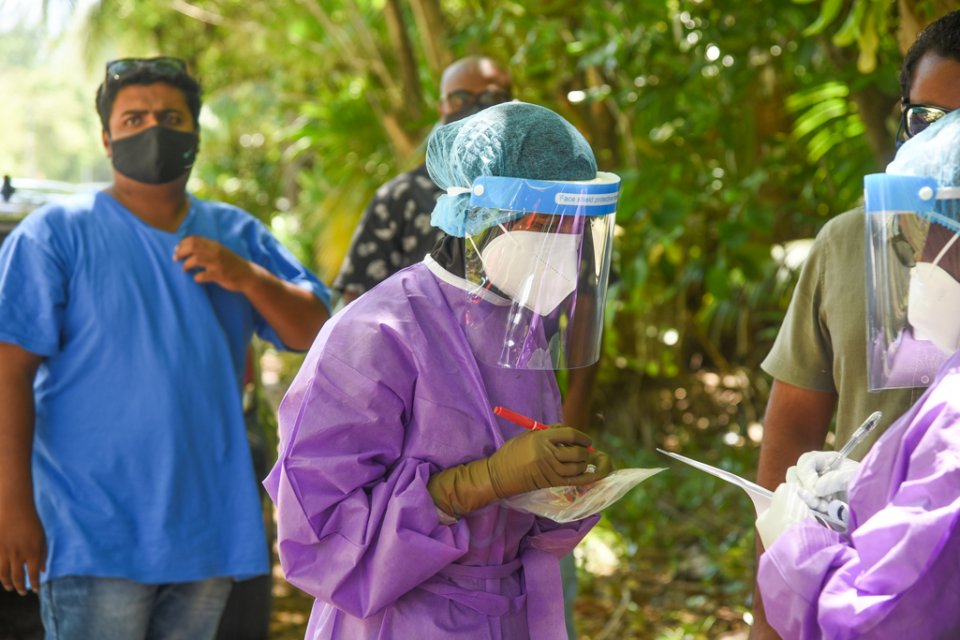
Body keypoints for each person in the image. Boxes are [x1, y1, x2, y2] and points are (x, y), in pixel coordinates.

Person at [0, 56, 331, 639]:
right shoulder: (54, 235)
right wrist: (12, 506)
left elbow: (314, 330)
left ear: (195, 135)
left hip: (207, 531)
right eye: (133, 119)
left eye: (170, 117)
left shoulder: (235, 233)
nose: (153, 130)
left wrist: (248, 277)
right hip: (90, 531)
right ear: (106, 139)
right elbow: (9, 373)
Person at [265, 101, 619, 639]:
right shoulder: (376, 332)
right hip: (399, 620)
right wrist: (478, 483)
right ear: (490, 215)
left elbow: (521, 518)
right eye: (554, 225)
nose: (569, 247)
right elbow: (318, 538)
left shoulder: (518, 325)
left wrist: (564, 486)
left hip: (508, 613)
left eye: (581, 230)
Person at [751, 11, 960, 637]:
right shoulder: (847, 245)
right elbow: (791, 426)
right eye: (926, 121)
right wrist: (771, 612)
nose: (941, 147)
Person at [332, 55, 512, 306]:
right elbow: (358, 301)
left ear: (513, 105)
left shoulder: (537, 193)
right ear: (442, 108)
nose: (475, 108)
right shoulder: (401, 196)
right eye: (460, 98)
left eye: (491, 98)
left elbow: (580, 295)